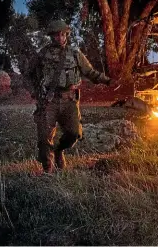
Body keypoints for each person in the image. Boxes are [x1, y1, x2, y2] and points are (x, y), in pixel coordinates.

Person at [25, 19, 118, 173]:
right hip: (49, 100)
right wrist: (34, 91)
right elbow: (28, 75)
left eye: (62, 34)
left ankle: (59, 150)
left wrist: (108, 81)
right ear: (51, 36)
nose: (60, 38)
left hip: (70, 100)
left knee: (74, 133)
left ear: (66, 34)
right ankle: (48, 170)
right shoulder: (42, 54)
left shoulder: (75, 54)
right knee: (44, 138)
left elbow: (90, 72)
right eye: (56, 35)